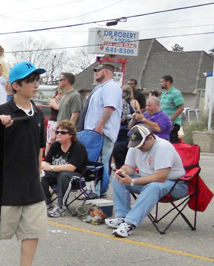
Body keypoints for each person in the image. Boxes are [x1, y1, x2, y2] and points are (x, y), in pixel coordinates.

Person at [0, 61, 48, 266]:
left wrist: (38, 172)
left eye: (37, 80)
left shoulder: (39, 113)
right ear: (16, 85)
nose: (35, 84)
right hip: (5, 185)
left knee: (32, 231)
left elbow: (40, 149)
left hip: (32, 185)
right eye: (30, 80)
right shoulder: (1, 112)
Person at [105, 124, 187, 238]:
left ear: (151, 137)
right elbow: (129, 166)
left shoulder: (163, 147)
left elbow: (161, 177)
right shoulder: (135, 146)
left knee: (153, 186)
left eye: (141, 144)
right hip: (150, 181)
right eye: (136, 145)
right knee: (118, 180)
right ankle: (122, 216)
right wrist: (122, 172)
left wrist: (133, 182)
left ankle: (130, 223)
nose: (139, 147)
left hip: (175, 184)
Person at [80, 62, 121, 197]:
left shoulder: (111, 87)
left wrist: (100, 126)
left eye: (98, 70)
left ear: (106, 71)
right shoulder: (99, 88)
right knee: (92, 163)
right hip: (92, 132)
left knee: (97, 164)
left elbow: (109, 107)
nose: (95, 72)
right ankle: (94, 190)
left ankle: (94, 192)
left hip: (101, 133)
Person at [41, 120, 88, 217]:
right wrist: (44, 166)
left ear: (71, 135)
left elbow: (71, 167)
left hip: (77, 176)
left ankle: (61, 206)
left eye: (63, 132)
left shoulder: (78, 147)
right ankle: (47, 203)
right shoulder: (55, 145)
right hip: (58, 174)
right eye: (57, 132)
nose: (59, 134)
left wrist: (51, 167)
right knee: (43, 173)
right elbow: (47, 161)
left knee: (64, 175)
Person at [113, 95, 173, 169]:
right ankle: (123, 170)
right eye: (146, 106)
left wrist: (143, 120)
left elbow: (157, 128)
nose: (147, 108)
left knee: (120, 149)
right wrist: (134, 119)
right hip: (135, 139)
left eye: (150, 106)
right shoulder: (145, 115)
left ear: (157, 105)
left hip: (151, 142)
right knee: (117, 149)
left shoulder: (163, 116)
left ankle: (128, 170)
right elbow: (130, 127)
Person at [159, 75, 184, 143]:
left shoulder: (175, 93)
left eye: (162, 82)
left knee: (172, 143)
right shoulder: (163, 93)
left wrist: (170, 120)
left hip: (172, 123)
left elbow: (181, 108)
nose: (160, 83)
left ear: (168, 82)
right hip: (164, 123)